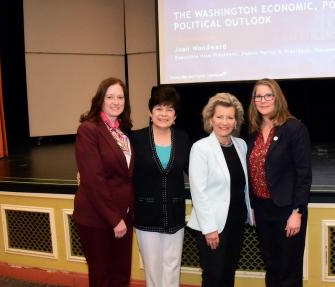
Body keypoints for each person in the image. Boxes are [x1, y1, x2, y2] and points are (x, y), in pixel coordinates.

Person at [247, 78, 312, 287]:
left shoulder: (294, 128)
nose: (263, 100)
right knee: (272, 267)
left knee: (289, 272)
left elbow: (304, 174)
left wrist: (297, 212)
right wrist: (254, 210)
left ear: (277, 98)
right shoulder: (252, 131)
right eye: (259, 96)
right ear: (253, 100)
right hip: (262, 210)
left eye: (269, 95)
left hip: (287, 211)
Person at [187, 92, 254, 287]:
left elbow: (243, 186)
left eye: (229, 117)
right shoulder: (201, 148)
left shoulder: (241, 145)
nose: (224, 122)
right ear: (210, 119)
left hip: (236, 222)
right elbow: (198, 193)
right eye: (219, 116)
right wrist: (209, 229)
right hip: (213, 227)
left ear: (236, 121)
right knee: (213, 277)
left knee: (228, 274)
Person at [73, 77, 134, 287]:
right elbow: (94, 180)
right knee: (102, 277)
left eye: (120, 97)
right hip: (98, 218)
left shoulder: (122, 131)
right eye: (110, 97)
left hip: (124, 215)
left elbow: (126, 174)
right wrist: (114, 219)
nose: (116, 101)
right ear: (100, 100)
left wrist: (124, 216)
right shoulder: (89, 130)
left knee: (121, 274)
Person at [129, 86, 190, 287]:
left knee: (173, 265)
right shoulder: (135, 139)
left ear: (175, 115)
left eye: (169, 109)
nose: (164, 114)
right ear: (150, 112)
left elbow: (194, 171)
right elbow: (121, 170)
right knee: (153, 267)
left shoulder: (182, 138)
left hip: (174, 212)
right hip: (147, 214)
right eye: (159, 108)